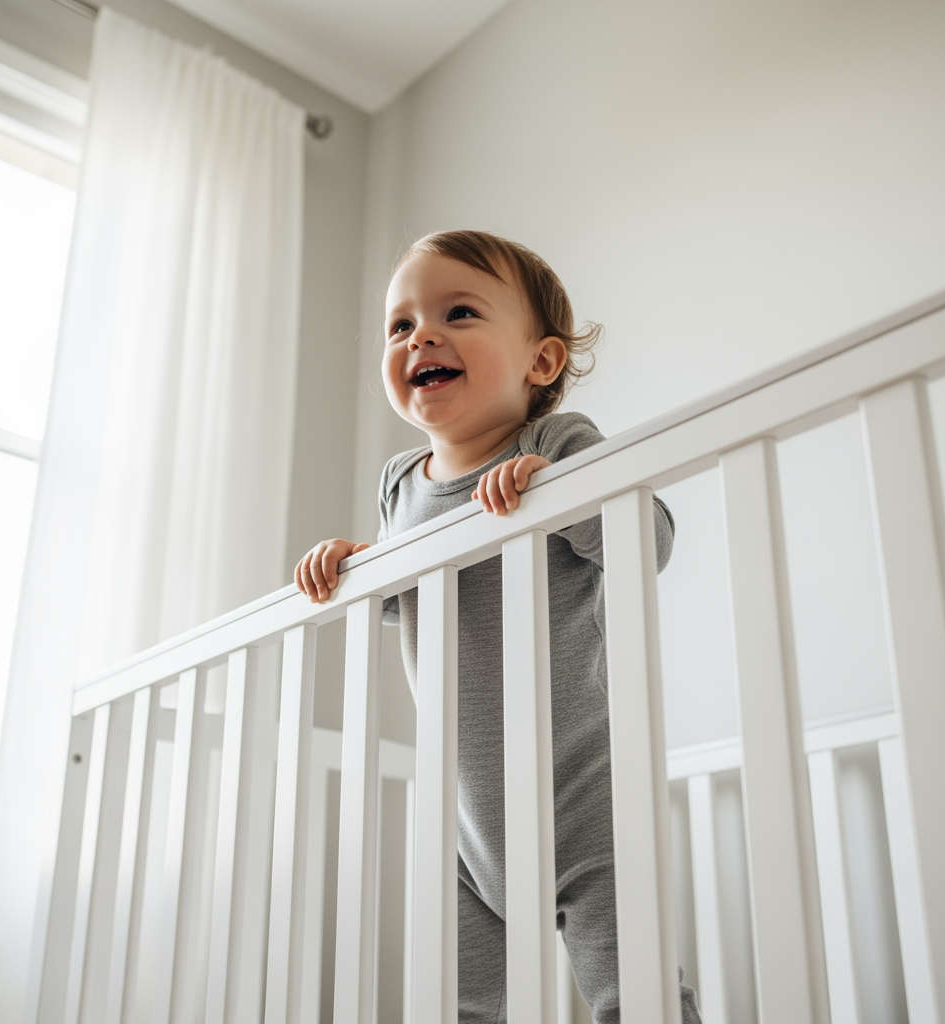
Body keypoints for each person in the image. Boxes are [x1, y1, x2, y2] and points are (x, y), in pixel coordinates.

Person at [295, 230, 701, 1024]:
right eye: (400, 325)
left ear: (540, 362)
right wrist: (355, 569)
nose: (422, 336)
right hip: (462, 818)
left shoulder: (554, 443)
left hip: (581, 792)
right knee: (459, 1002)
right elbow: (413, 595)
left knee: (637, 991)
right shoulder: (400, 484)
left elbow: (648, 539)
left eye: (459, 312)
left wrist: (563, 491)